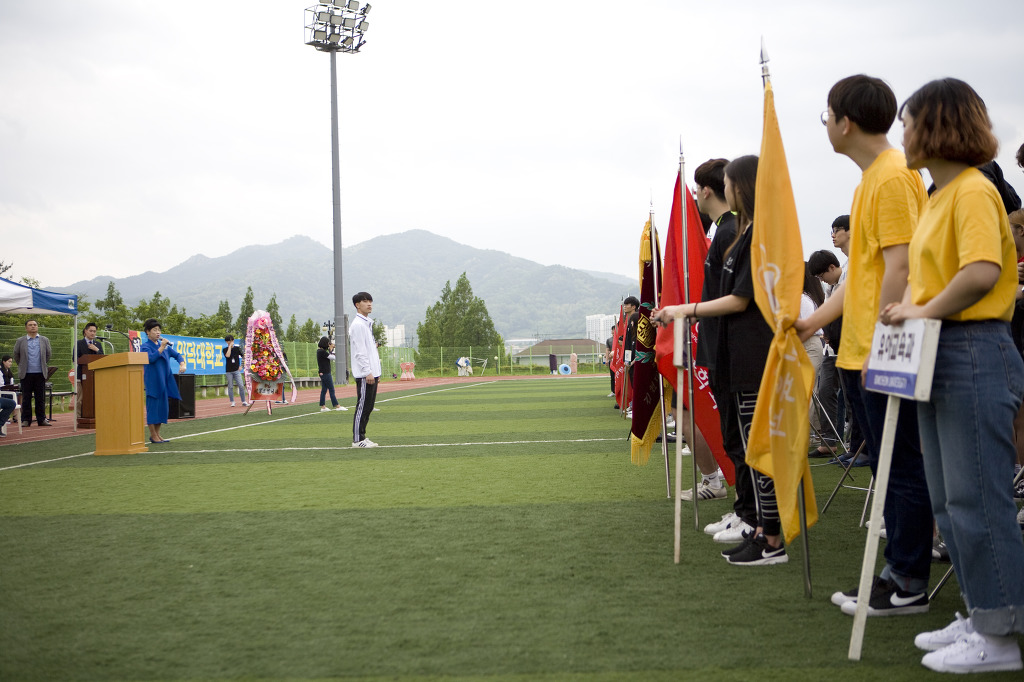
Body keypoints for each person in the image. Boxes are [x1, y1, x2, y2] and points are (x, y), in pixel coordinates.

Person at [879, 78, 1024, 674]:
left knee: (977, 498)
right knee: (950, 499)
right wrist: (912, 309)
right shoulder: (940, 195)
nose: (903, 136)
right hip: (941, 352)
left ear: (936, 126)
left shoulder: (972, 189)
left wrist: (919, 309)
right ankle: (982, 613)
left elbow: (982, 271)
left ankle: (1001, 633)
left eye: (909, 124)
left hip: (972, 349)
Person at [797, 75, 934, 616]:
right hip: (858, 351)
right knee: (886, 466)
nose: (826, 125)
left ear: (846, 121)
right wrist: (811, 324)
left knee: (901, 467)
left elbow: (901, 265)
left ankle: (907, 581)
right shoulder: (869, 180)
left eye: (827, 116)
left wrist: (887, 339)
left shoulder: (894, 176)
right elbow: (860, 276)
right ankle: (898, 572)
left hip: (882, 349)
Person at [653, 155, 785, 566]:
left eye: (729, 184)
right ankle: (758, 525)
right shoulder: (737, 234)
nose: (721, 191)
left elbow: (739, 299)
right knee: (741, 441)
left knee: (752, 446)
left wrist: (685, 310)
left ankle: (766, 532)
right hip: (731, 354)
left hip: (749, 355)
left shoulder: (746, 234)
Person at [688, 158, 755, 535]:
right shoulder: (726, 231)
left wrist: (688, 310)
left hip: (734, 351)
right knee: (733, 436)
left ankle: (752, 516)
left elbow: (735, 298)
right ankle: (744, 510)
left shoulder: (732, 231)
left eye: (697, 189)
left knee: (740, 437)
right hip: (720, 349)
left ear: (707, 190)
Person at [140, 318, 186, 444]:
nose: (158, 332)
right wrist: (161, 347)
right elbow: (150, 359)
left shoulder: (165, 347)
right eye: (154, 330)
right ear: (148, 332)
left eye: (159, 330)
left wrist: (182, 364)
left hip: (165, 381)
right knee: (153, 409)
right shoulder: (145, 347)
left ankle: (157, 434)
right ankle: (153, 435)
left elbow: (177, 355)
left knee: (162, 408)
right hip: (153, 381)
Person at [350, 292, 382, 448]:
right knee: (362, 406)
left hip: (372, 372)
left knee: (369, 406)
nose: (369, 304)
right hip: (365, 374)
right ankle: (357, 439)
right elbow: (360, 352)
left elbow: (371, 351)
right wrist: (367, 371)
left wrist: (376, 372)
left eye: (370, 301)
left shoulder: (366, 324)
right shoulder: (358, 325)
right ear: (357, 305)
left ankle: (362, 435)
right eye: (365, 301)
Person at [12, 319, 52, 427]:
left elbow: (48, 354)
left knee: (40, 398)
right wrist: (22, 365)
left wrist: (42, 364)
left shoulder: (44, 340)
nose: (33, 326)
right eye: (30, 325)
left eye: (35, 324)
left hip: (40, 373)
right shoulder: (20, 340)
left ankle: (41, 419)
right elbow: (16, 354)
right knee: (26, 398)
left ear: (37, 327)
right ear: (26, 328)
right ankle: (26, 420)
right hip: (26, 374)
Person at [317, 336, 346, 412]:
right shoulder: (322, 352)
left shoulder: (320, 351)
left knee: (324, 390)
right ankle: (337, 405)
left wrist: (331, 349)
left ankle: (323, 407)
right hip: (326, 373)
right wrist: (331, 349)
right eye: (328, 343)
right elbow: (333, 357)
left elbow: (331, 356)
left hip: (323, 373)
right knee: (331, 389)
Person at [222, 334, 248, 407]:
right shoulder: (225, 349)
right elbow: (227, 355)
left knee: (241, 385)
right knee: (230, 386)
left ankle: (244, 401)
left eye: (230, 341)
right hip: (229, 371)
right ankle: (232, 401)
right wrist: (230, 347)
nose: (228, 342)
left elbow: (244, 356)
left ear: (233, 341)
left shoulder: (237, 348)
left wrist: (241, 366)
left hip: (236, 370)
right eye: (227, 341)